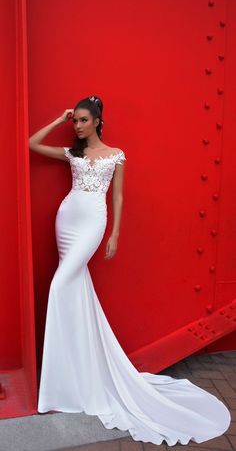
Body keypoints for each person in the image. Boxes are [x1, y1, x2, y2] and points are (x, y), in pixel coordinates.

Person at [29, 96, 231, 447]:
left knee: (60, 287)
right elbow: (32, 144)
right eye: (73, 121)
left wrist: (115, 234)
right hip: (66, 219)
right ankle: (72, 377)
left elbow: (118, 198)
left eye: (81, 120)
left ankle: (66, 379)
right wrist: (57, 118)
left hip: (93, 221)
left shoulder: (116, 155)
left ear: (96, 121)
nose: (76, 126)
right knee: (73, 289)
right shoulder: (72, 154)